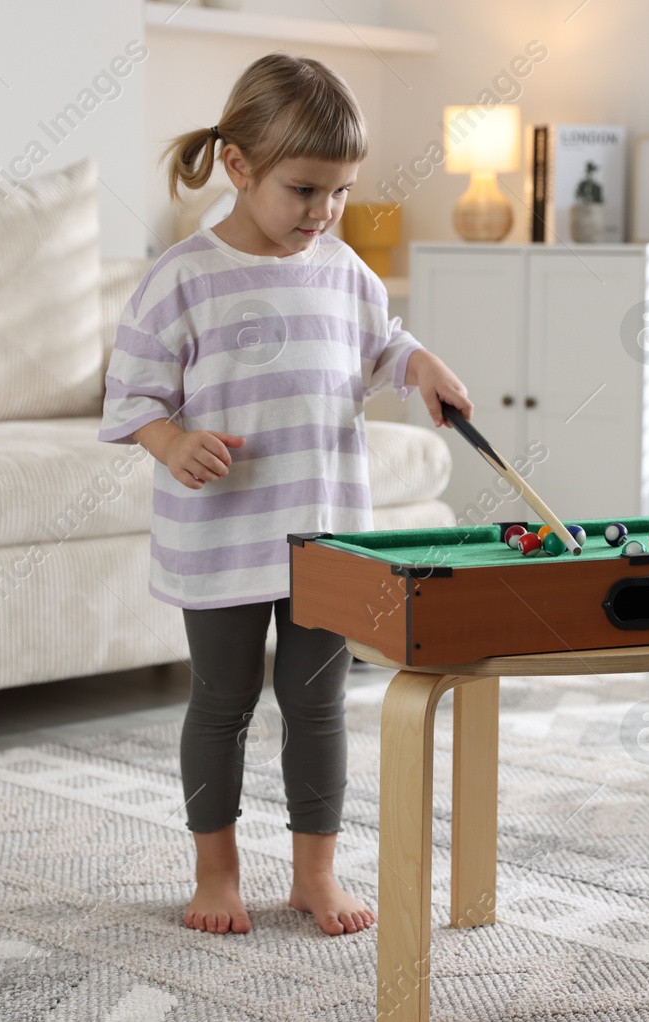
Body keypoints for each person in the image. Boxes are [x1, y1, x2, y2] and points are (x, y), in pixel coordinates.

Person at [98, 52, 471, 937]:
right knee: (222, 703)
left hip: (327, 539)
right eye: (305, 190)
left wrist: (420, 365)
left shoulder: (344, 271)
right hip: (222, 541)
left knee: (318, 704)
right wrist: (172, 441)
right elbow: (132, 398)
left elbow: (383, 345)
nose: (324, 212)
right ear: (237, 164)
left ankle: (314, 873)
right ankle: (217, 870)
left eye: (339, 192)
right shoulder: (181, 278)